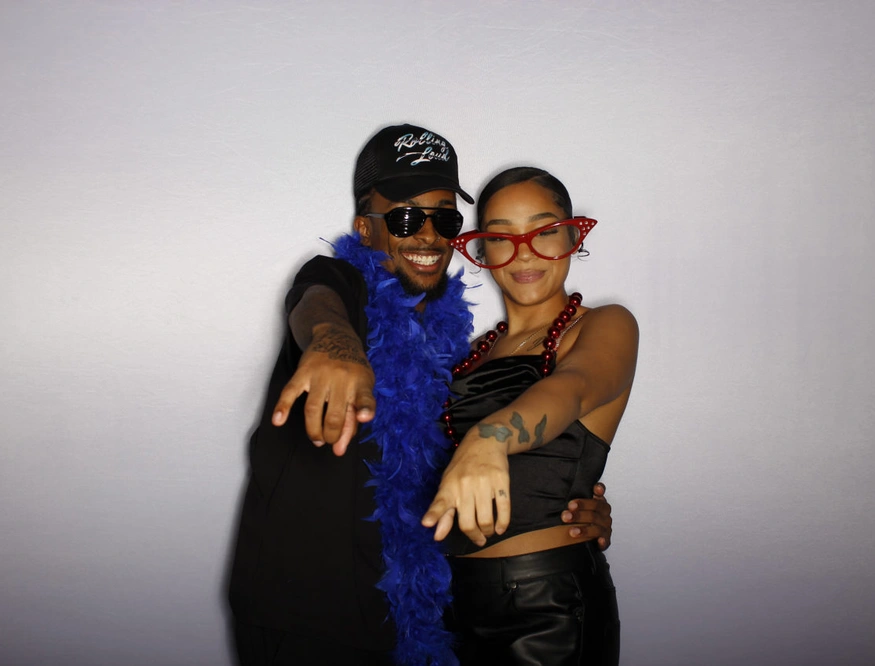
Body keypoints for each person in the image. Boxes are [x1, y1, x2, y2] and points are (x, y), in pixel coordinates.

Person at [228, 126, 613, 666]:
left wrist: (568, 505)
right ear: (366, 228)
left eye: (445, 218)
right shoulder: (344, 285)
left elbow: (550, 408)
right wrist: (333, 343)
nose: (428, 235)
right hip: (310, 617)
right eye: (406, 217)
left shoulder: (451, 345)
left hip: (420, 622)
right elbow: (317, 293)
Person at [423, 167, 639, 665]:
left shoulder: (605, 325)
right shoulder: (469, 354)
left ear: (571, 237)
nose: (524, 252)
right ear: (483, 252)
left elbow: (575, 388)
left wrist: (489, 439)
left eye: (543, 231)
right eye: (502, 237)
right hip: (448, 606)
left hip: (546, 608)